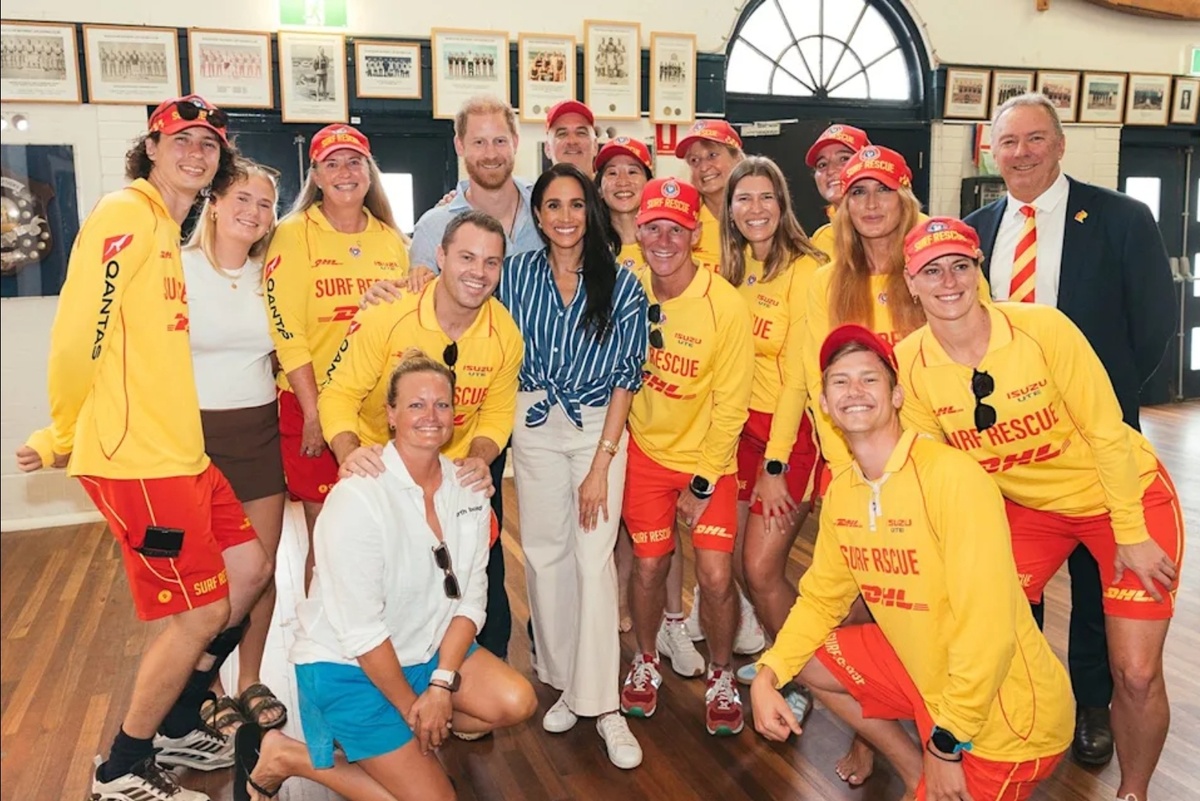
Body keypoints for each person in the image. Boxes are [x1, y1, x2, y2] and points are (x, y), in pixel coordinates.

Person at [16, 95, 273, 801]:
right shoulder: (125, 214)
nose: (195, 152)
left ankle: (181, 721)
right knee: (201, 614)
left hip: (183, 453)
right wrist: (62, 432)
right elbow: (79, 335)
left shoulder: (164, 223)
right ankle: (123, 767)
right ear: (151, 147)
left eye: (208, 145)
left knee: (250, 569)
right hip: (139, 461)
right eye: (180, 140)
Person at [896, 215, 1184, 801]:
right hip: (1031, 510)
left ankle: (1133, 792)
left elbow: (1107, 432)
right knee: (977, 630)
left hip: (1122, 495)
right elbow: (939, 471)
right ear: (911, 283)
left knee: (1134, 672)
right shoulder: (910, 362)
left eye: (960, 266)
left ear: (980, 271)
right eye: (932, 270)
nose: (948, 281)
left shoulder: (1042, 329)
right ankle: (1008, 749)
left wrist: (1130, 532)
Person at [751, 323, 1073, 801]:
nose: (854, 390)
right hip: (931, 677)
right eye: (840, 381)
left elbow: (988, 627)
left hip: (1005, 721)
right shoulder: (845, 492)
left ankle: (934, 760)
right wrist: (769, 672)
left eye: (869, 379)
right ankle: (913, 769)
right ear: (824, 405)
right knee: (811, 660)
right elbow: (821, 600)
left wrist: (947, 743)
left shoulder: (953, 478)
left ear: (897, 396)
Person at [963, 92, 1177, 766]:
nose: (1021, 153)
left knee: (1094, 578)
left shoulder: (1121, 218)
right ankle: (1025, 694)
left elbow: (1153, 326)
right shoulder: (974, 231)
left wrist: (1103, 402)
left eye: (1034, 139)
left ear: (1059, 145)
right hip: (1006, 447)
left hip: (1095, 439)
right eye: (1008, 142)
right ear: (991, 153)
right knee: (1007, 579)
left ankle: (1091, 704)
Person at [234, 351, 537, 801]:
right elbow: (362, 632)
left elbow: (471, 601)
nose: (431, 415)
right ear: (391, 415)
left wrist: (441, 685)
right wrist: (414, 708)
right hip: (348, 667)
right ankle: (287, 756)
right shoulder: (358, 497)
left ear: (454, 414)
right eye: (416, 404)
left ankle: (394, 743)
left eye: (441, 404)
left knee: (517, 700)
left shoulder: (470, 490)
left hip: (425, 653)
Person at [498, 163, 647, 768]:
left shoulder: (623, 283)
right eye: (553, 206)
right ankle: (565, 683)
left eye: (576, 204)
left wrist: (601, 463)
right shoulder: (515, 275)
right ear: (538, 215)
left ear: (591, 211)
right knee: (545, 555)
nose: (565, 217)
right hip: (534, 421)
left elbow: (627, 379)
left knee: (592, 558)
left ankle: (605, 705)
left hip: (597, 430)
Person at [405, 96, 545, 659]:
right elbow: (413, 305)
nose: (490, 152)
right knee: (470, 521)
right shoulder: (435, 225)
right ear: (460, 146)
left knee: (537, 533)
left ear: (516, 144)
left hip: (544, 395)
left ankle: (536, 641)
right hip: (468, 398)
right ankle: (458, 646)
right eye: (479, 141)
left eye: (500, 140)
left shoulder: (548, 208)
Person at [619, 177, 754, 737]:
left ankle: (721, 675)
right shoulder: (627, 286)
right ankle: (646, 659)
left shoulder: (725, 305)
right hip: (646, 453)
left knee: (717, 575)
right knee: (650, 564)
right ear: (638, 231)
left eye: (676, 229)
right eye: (654, 228)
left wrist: (702, 484)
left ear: (696, 234)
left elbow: (732, 407)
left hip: (708, 461)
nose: (664, 240)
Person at [264, 123, 410, 590]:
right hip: (309, 404)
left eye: (354, 162)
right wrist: (314, 414)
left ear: (369, 172)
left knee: (381, 536)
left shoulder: (391, 239)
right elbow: (287, 334)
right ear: (316, 176)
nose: (345, 172)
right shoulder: (293, 234)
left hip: (375, 409)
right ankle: (321, 631)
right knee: (328, 536)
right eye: (332, 164)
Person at [317, 209, 520, 539]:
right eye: (467, 257)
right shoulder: (386, 311)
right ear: (441, 256)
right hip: (377, 469)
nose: (479, 272)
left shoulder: (506, 334)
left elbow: (497, 414)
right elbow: (339, 393)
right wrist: (350, 455)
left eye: (491, 262)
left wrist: (477, 461)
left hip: (449, 476)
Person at [182, 159, 289, 735]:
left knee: (260, 569)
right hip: (193, 438)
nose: (253, 211)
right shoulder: (177, 268)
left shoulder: (269, 275)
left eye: (265, 203)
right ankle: (207, 687)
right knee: (206, 575)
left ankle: (248, 677)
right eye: (242, 198)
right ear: (215, 202)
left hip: (259, 432)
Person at [717, 157, 825, 718]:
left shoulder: (806, 270)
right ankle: (781, 658)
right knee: (739, 565)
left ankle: (808, 680)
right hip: (739, 433)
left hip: (788, 435)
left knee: (761, 569)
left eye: (766, 197)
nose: (755, 209)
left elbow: (799, 378)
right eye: (744, 198)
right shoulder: (732, 269)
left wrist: (775, 464)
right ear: (730, 209)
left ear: (782, 205)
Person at [594, 137, 700, 673]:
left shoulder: (671, 244)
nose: (622, 182)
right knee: (616, 523)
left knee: (661, 534)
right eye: (611, 172)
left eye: (632, 171)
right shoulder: (589, 241)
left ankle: (673, 622)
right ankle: (620, 610)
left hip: (664, 414)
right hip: (608, 405)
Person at [674, 119, 745, 273]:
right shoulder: (684, 223)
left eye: (712, 155)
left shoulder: (759, 217)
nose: (704, 167)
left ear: (737, 158)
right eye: (694, 160)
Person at [803, 123, 871, 255]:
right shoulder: (821, 239)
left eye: (844, 159)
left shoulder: (906, 229)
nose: (831, 170)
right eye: (822, 164)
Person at [544, 99, 599, 177]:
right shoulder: (538, 185)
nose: (572, 141)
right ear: (548, 149)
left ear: (595, 146)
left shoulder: (613, 184)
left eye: (581, 133)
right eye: (562, 134)